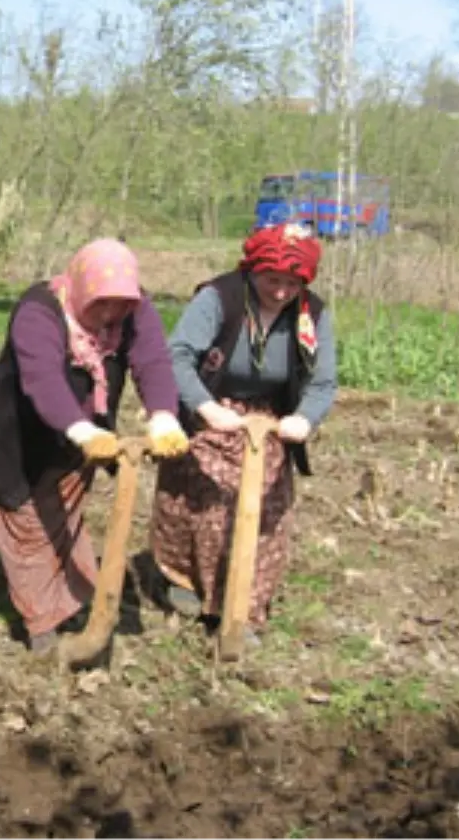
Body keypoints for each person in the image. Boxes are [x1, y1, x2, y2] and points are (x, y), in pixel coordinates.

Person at [0, 237, 190, 655]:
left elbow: (152, 361)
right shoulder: (38, 312)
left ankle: (67, 604)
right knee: (27, 523)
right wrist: (81, 430)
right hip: (18, 431)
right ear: (79, 287)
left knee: (65, 512)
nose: (110, 314)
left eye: (120, 305)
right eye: (100, 304)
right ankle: (42, 626)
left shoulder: (135, 308)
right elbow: (42, 380)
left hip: (83, 433)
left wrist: (163, 414)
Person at [148, 221, 337, 644]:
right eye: (272, 280)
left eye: (292, 283)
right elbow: (176, 357)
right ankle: (187, 581)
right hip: (212, 407)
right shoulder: (219, 298)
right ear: (253, 269)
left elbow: (324, 383)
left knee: (264, 513)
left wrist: (304, 420)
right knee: (205, 502)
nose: (281, 291)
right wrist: (208, 409)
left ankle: (242, 611)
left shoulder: (313, 314)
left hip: (269, 421)